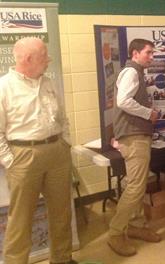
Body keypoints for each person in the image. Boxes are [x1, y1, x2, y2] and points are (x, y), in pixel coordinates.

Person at [0, 37, 76, 264]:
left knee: (62, 212)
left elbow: (62, 118)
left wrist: (66, 143)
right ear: (27, 58)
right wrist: (9, 160)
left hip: (57, 153)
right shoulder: (4, 87)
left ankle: (62, 259)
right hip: (23, 156)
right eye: (44, 56)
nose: (49, 60)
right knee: (20, 219)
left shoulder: (49, 83)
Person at [109, 38, 161, 257]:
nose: (151, 56)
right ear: (135, 53)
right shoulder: (131, 72)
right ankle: (115, 233)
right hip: (133, 137)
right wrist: (148, 113)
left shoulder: (135, 72)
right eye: (148, 53)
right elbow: (123, 101)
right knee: (136, 187)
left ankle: (137, 225)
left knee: (137, 184)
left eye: (152, 53)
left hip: (136, 135)